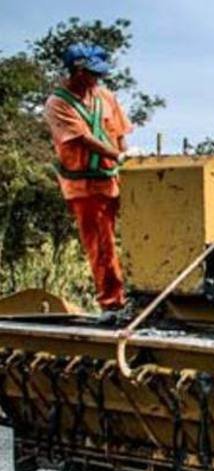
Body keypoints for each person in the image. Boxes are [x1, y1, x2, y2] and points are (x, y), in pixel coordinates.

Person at [43, 43, 133, 315]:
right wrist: (117, 156)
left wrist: (129, 160)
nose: (97, 79)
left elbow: (119, 133)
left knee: (138, 236)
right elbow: (84, 138)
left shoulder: (105, 96)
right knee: (102, 245)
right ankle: (112, 304)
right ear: (77, 71)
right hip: (85, 185)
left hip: (114, 178)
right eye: (92, 74)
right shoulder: (58, 104)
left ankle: (143, 297)